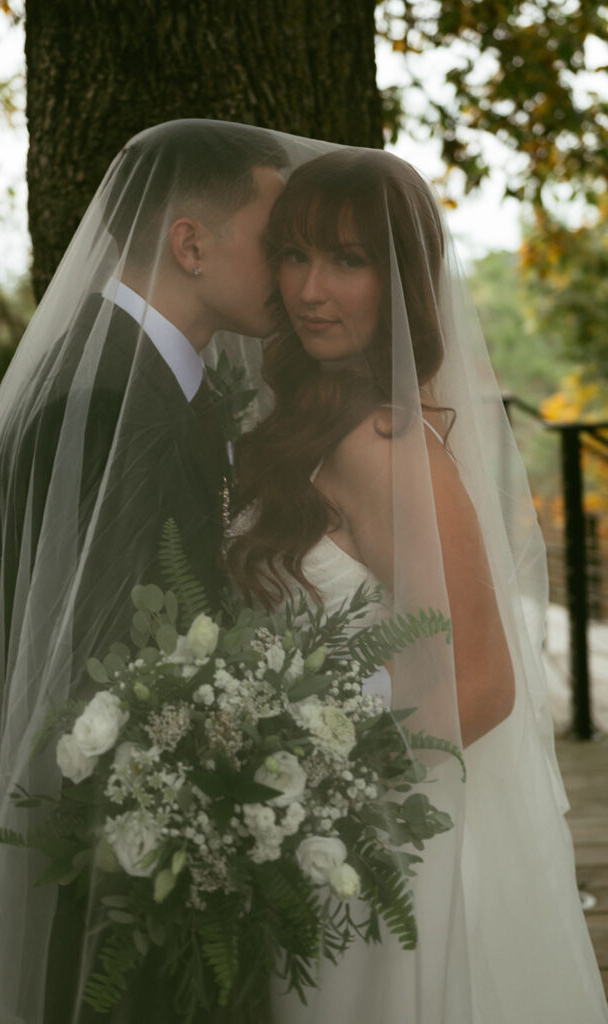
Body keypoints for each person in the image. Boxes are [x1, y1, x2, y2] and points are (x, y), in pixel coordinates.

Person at [227, 147, 608, 1022]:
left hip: (377, 850)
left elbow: (483, 681)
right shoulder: (306, 421)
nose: (310, 289)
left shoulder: (387, 447)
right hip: (324, 839)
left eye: (349, 261)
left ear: (400, 281)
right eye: (295, 253)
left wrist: (306, 785)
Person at [0, 119, 287, 1024]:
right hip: (117, 863)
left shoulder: (158, 379)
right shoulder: (106, 399)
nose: (289, 270)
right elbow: (103, 663)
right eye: (273, 243)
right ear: (190, 243)